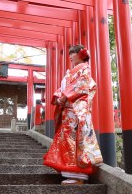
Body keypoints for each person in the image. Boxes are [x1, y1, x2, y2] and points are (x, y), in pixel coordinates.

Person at [42, 44, 103, 185]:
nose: (70, 56)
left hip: (76, 112)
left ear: (80, 55)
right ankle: (70, 173)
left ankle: (78, 176)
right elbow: (63, 88)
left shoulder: (84, 70)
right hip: (69, 112)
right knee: (67, 140)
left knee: (74, 141)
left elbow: (80, 87)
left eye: (73, 53)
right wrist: (58, 96)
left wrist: (64, 97)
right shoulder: (72, 72)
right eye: (69, 54)